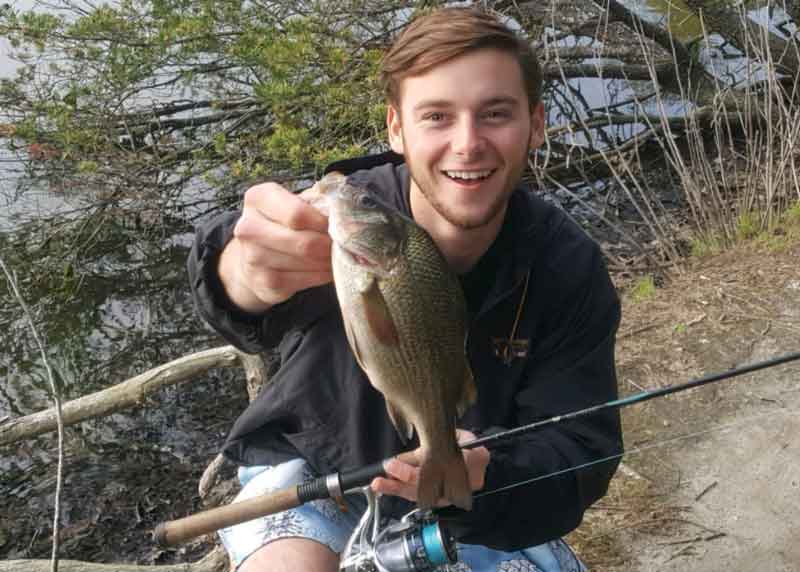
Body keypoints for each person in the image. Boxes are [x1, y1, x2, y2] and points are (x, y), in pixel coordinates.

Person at [187, 6, 623, 572]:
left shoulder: (567, 264)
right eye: (436, 116)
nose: (467, 144)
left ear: (535, 124)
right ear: (396, 128)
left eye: (495, 113)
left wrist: (486, 473)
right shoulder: (342, 216)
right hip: (316, 468)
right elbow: (234, 289)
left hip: (479, 497)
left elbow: (580, 453)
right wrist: (239, 275)